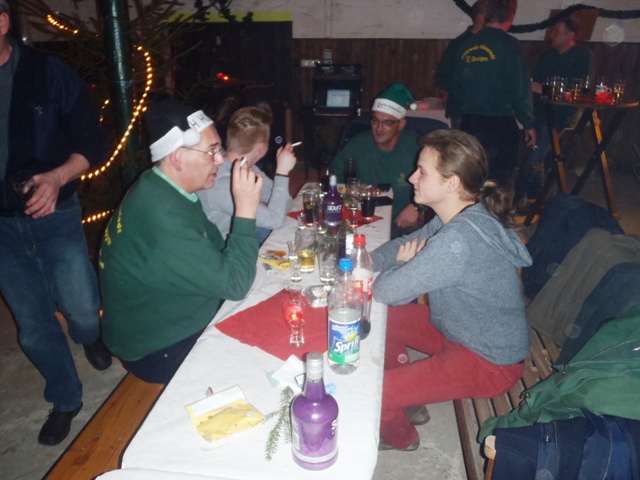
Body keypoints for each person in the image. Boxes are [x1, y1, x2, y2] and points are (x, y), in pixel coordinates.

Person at [370, 129, 532, 451]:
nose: (412, 177)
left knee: (376, 393)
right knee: (378, 319)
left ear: (452, 183)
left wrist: (403, 266)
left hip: (488, 361)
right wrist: (365, 260)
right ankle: (410, 398)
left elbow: (385, 291)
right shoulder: (463, 213)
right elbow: (408, 242)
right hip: (458, 328)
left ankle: (401, 437)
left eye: (422, 172)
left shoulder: (457, 242)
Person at [0, 1, 112, 446]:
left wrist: (57, 177)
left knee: (82, 307)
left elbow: (93, 140)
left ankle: (90, 335)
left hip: (56, 213)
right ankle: (65, 398)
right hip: (2, 230)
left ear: (2, 22)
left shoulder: (48, 72)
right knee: (32, 323)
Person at [100, 98, 262, 384]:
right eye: (212, 151)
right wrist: (246, 211)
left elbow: (214, 243)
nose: (221, 159)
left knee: (265, 302)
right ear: (176, 157)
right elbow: (235, 284)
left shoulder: (161, 185)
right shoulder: (163, 219)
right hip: (157, 348)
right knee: (256, 362)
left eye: (219, 149)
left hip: (167, 317)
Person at [451, 0, 536, 188]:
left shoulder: (466, 45)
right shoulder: (510, 45)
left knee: (471, 178)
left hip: (469, 123)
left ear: (488, 14)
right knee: (498, 182)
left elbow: (456, 88)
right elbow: (520, 88)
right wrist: (528, 123)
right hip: (499, 125)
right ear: (511, 15)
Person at [514, 15, 592, 211]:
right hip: (540, 112)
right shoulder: (548, 56)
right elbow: (534, 84)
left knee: (534, 157)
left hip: (560, 116)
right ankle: (537, 197)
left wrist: (544, 89)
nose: (551, 35)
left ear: (570, 35)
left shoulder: (582, 56)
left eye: (556, 31)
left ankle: (519, 197)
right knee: (537, 155)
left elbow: (578, 91)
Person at [332, 83, 423, 238]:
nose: (379, 128)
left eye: (387, 122)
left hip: (402, 219)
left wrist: (417, 207)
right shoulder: (357, 144)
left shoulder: (417, 148)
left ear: (401, 124)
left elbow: (438, 183)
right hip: (364, 216)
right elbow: (335, 176)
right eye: (375, 121)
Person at [198, 106, 295, 242]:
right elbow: (275, 220)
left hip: (246, 235)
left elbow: (287, 203)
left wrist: (266, 207)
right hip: (226, 248)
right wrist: (282, 173)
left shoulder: (246, 167)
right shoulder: (221, 182)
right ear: (260, 148)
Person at [436, 0, 488, 129]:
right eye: (490, 14)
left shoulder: (493, 42)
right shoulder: (460, 44)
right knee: (461, 142)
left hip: (485, 110)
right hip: (462, 110)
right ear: (480, 16)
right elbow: (443, 77)